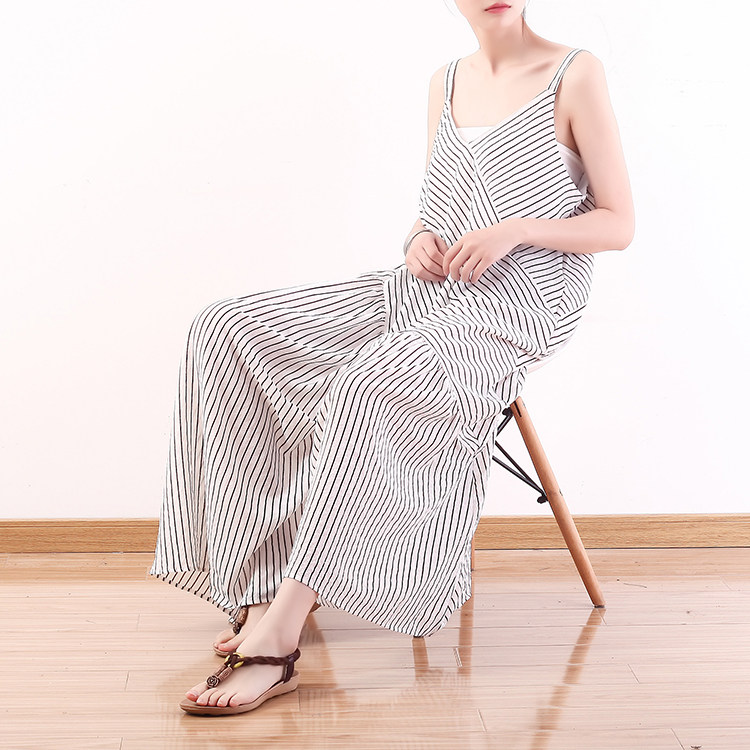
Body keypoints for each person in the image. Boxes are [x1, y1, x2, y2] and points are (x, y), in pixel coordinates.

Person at [149, 0, 634, 716]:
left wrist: (515, 231)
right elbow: (436, 208)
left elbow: (619, 223)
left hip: (515, 306)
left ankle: (279, 638)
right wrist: (416, 240)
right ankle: (256, 588)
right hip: (424, 289)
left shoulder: (575, 73)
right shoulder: (445, 81)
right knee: (226, 330)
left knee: (367, 385)